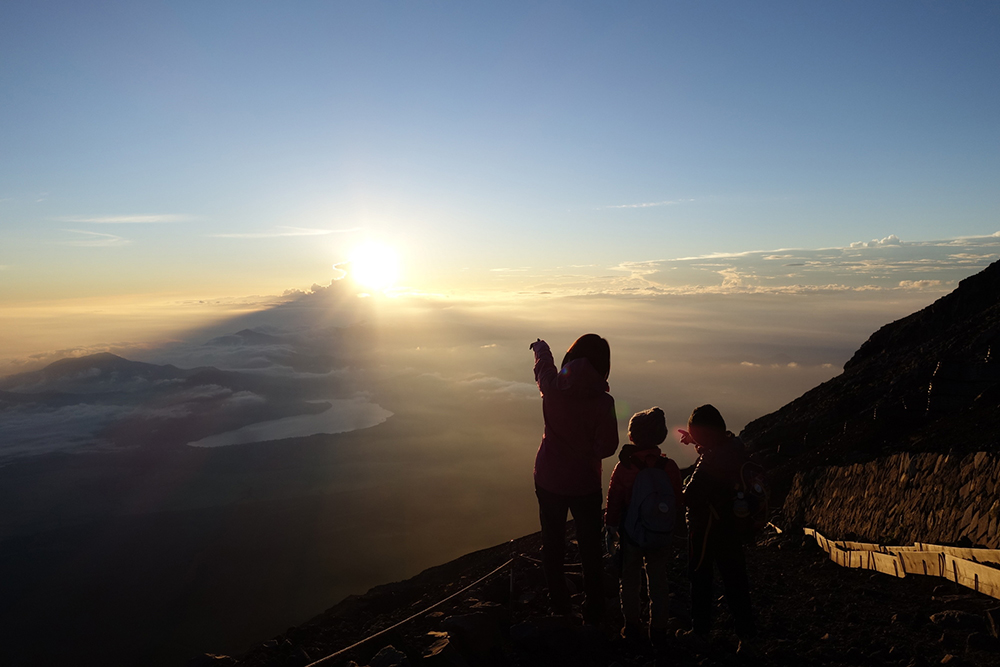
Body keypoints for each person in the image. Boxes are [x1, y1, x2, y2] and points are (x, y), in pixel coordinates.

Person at [530, 334, 619, 624]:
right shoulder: (604, 403)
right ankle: (594, 609)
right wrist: (588, 452)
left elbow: (544, 366)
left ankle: (561, 607)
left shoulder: (552, 388)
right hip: (585, 483)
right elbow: (607, 447)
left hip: (549, 479)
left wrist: (541, 347)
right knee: (590, 546)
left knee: (552, 542)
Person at [680, 404, 757, 651]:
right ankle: (747, 636)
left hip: (707, 530)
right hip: (731, 527)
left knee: (700, 579)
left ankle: (700, 633)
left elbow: (691, 495)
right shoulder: (734, 447)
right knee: (736, 580)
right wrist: (697, 441)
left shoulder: (711, 460)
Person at [605, 407, 683, 644]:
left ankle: (632, 626)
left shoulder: (625, 467)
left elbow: (614, 497)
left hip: (633, 535)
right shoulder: (669, 467)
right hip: (660, 534)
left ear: (632, 437)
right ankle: (658, 629)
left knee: (630, 579)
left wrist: (611, 526)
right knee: (658, 579)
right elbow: (677, 500)